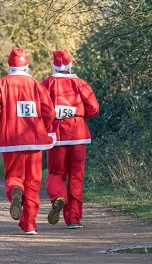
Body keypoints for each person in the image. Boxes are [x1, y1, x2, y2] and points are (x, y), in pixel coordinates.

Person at [0, 48, 56, 235]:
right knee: (33, 183)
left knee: (13, 177)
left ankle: (15, 191)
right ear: (27, 65)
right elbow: (50, 112)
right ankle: (30, 225)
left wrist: (0, 128)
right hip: (34, 141)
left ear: (10, 65)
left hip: (10, 140)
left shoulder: (0, 84)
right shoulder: (37, 85)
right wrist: (41, 127)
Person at [42, 50, 99, 229]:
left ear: (53, 64)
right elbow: (93, 108)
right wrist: (80, 116)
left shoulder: (47, 83)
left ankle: (59, 197)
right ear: (70, 64)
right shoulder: (80, 83)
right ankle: (73, 218)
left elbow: (40, 108)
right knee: (76, 176)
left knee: (55, 173)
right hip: (78, 134)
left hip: (56, 134)